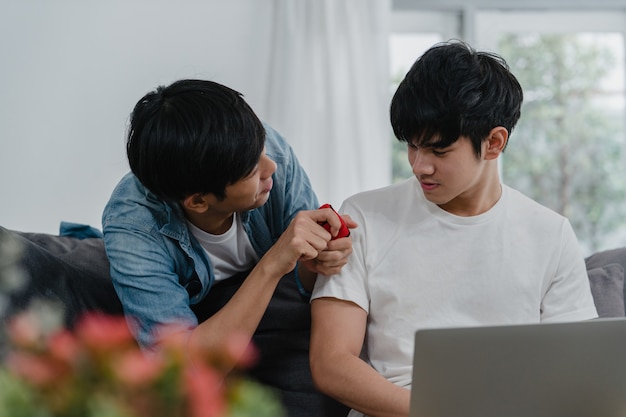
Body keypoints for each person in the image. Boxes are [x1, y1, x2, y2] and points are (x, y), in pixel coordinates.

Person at [309, 40, 598, 417]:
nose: (418, 165)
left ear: (494, 143)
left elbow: (579, 373)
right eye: (412, 146)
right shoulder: (363, 217)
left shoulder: (550, 234)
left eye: (438, 151)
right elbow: (330, 364)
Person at [102, 79, 355, 416]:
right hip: (198, 320)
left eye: (261, 149)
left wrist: (318, 261)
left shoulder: (264, 151)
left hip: (267, 313)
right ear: (198, 201)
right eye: (253, 170)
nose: (271, 168)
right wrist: (273, 262)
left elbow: (303, 281)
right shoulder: (133, 225)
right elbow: (181, 371)